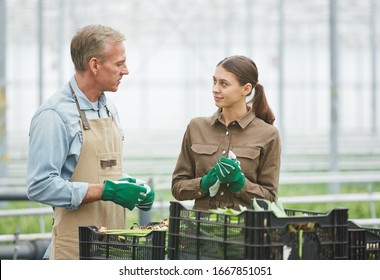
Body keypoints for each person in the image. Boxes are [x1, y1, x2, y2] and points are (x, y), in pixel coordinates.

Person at [26, 24, 154, 260]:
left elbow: (106, 169)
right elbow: (39, 185)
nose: (126, 70)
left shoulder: (109, 109)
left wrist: (133, 185)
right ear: (94, 65)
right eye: (119, 63)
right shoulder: (54, 115)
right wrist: (105, 191)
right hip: (74, 249)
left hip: (112, 245)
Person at [171, 55, 281, 210]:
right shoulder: (196, 127)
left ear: (246, 89)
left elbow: (269, 197)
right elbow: (177, 187)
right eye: (214, 81)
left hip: (245, 231)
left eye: (224, 84)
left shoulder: (268, 134)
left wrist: (241, 184)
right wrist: (204, 183)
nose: (215, 89)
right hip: (200, 230)